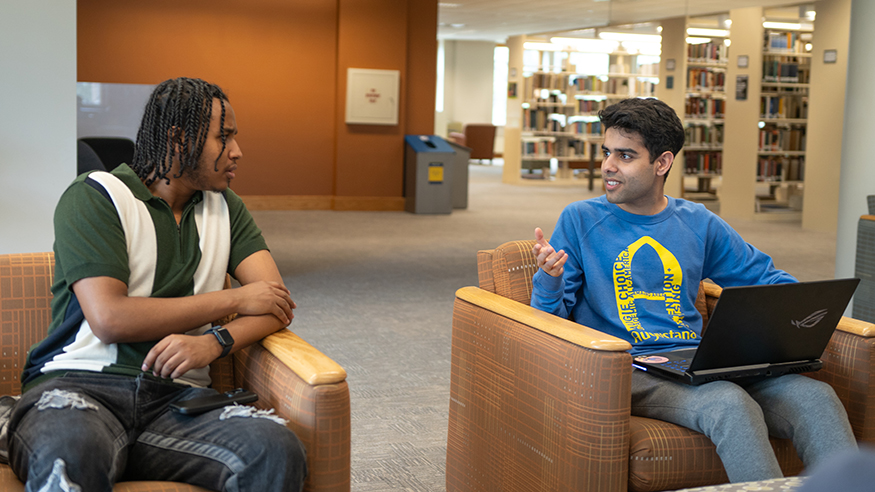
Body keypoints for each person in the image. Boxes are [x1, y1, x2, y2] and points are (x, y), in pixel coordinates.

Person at [530, 97, 856, 483]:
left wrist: (800, 311)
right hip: (632, 367)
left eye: (625, 155)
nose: (608, 167)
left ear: (662, 163)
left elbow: (763, 279)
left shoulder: (697, 221)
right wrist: (548, 278)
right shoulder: (581, 219)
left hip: (699, 359)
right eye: (606, 152)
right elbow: (548, 324)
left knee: (816, 398)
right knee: (728, 403)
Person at [7, 77, 307, 492]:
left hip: (176, 401)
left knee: (274, 449)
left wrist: (213, 342)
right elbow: (111, 318)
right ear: (179, 139)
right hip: (80, 386)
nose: (238, 151)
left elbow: (273, 303)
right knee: (72, 450)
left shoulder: (225, 208)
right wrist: (235, 298)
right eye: (224, 138)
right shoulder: (95, 196)